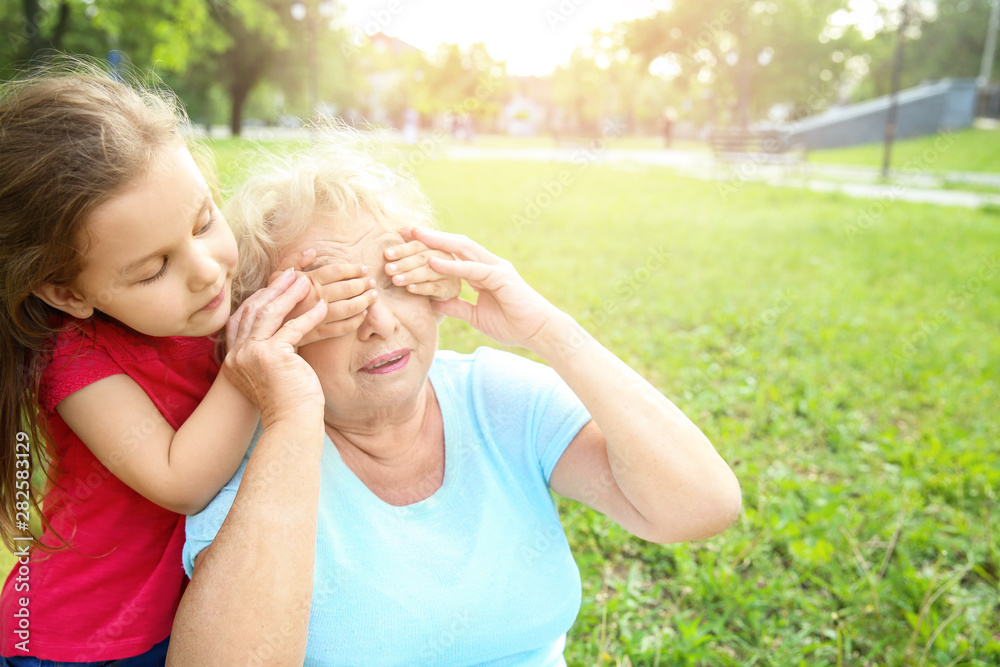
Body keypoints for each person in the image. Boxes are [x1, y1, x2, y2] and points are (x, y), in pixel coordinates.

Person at [167, 138, 743, 665]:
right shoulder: (244, 456)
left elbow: (700, 506)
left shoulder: (494, 397)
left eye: (397, 281)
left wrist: (547, 329)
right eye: (337, 302)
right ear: (268, 325)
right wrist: (291, 413)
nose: (381, 323)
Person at [0, 67, 453, 665]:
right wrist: (254, 363)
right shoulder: (76, 359)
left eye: (204, 221)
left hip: (196, 613)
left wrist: (322, 293)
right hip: (87, 638)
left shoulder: (204, 305)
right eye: (152, 268)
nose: (208, 270)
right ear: (67, 292)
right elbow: (180, 482)